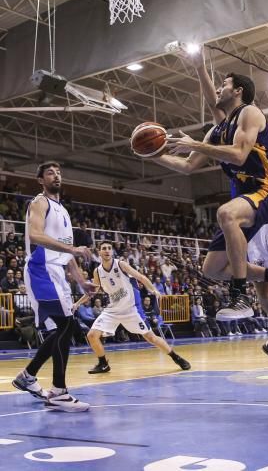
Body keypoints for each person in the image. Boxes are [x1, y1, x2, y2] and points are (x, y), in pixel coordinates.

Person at [152, 65, 268, 321]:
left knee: (225, 214)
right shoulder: (216, 132)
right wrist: (155, 156)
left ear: (238, 91)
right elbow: (188, 165)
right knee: (212, 269)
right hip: (245, 202)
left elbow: (239, 155)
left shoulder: (250, 113)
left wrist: (195, 143)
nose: (217, 89)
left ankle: (240, 297)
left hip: (267, 192)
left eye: (223, 84)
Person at [12, 161, 96, 412]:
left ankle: (27, 376)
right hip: (41, 269)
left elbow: (67, 254)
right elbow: (35, 236)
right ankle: (58, 392)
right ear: (40, 180)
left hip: (56, 273)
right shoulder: (40, 202)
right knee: (65, 327)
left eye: (59, 172)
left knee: (62, 330)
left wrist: (82, 282)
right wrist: (72, 248)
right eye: (50, 173)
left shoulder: (63, 210)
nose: (56, 175)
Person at [82, 241, 191, 374]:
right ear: (99, 252)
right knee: (92, 335)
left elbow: (140, 277)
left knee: (151, 338)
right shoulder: (97, 272)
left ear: (112, 251)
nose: (107, 250)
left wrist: (154, 290)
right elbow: (92, 292)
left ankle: (176, 357)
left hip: (131, 309)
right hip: (112, 310)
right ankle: (103, 364)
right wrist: (76, 304)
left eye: (109, 248)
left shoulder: (121, 264)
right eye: (104, 248)